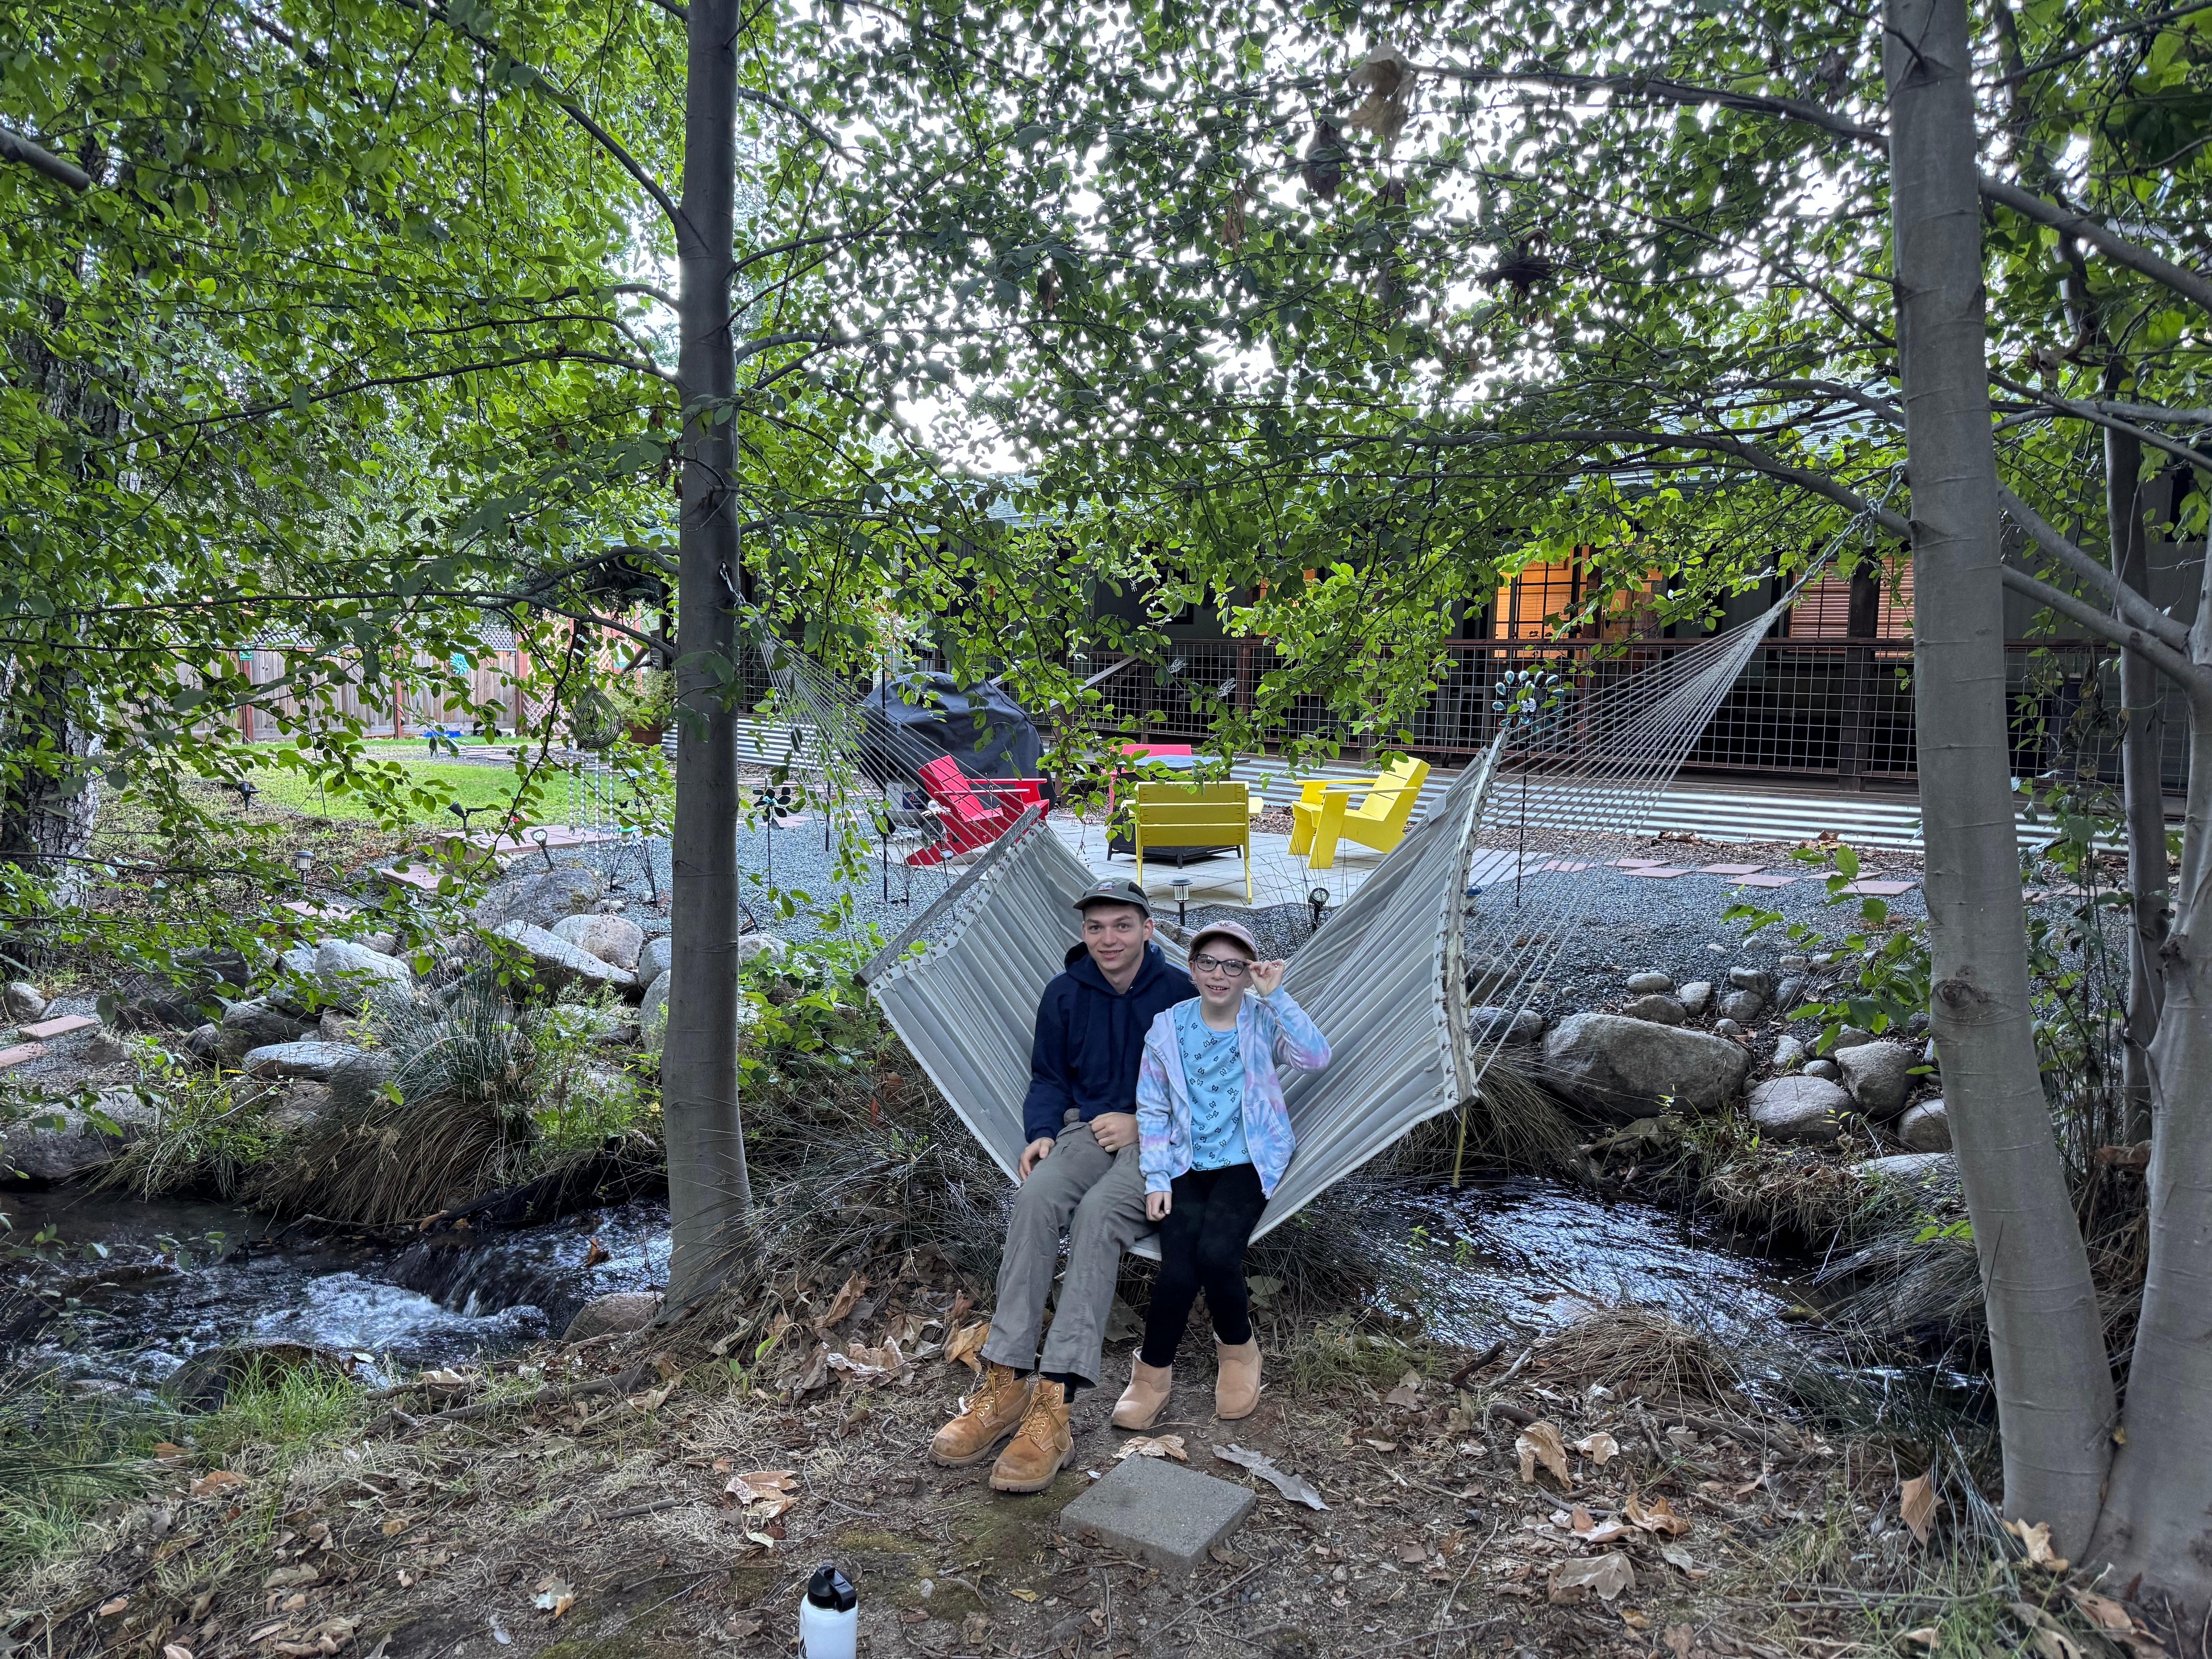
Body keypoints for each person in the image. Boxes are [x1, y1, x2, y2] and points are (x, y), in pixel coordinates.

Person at [929, 878, 1194, 1492]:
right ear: (1084, 933)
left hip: (1158, 1141)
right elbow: (1048, 1076)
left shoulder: (1181, 993)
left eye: (1122, 925)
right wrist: (1043, 1130)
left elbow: (1208, 1085)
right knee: (1036, 1197)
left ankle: (1057, 1407)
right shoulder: (1064, 993)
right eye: (1096, 927)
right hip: (1083, 1133)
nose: (1109, 938)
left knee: (1101, 1213)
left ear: (1148, 930)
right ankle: (1008, 1383)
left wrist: (1142, 1120)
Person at [1114, 919, 1328, 1429]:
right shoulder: (1167, 1027)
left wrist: (1276, 996)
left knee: (1216, 1255)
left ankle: (1238, 1352)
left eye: (1233, 966)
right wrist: (1157, 1179)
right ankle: (1151, 1374)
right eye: (1207, 962)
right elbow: (1151, 1109)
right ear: (1191, 968)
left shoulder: (1260, 1020)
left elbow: (1314, 1057)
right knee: (1177, 1269)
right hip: (1186, 1163)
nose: (1219, 974)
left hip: (1248, 1160)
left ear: (1247, 974)